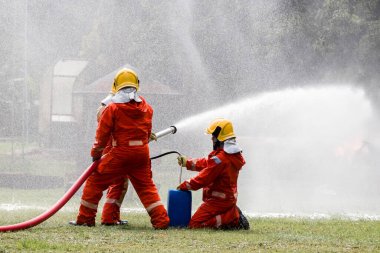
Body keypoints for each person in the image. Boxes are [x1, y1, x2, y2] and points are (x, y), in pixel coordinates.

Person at [70, 68, 168, 229]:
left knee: (94, 181)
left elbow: (101, 135)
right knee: (147, 188)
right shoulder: (147, 107)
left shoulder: (112, 109)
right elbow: (147, 133)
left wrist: (96, 154)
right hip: (142, 154)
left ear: (116, 86)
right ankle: (161, 220)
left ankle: (85, 219)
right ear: (137, 85)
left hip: (120, 153)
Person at [177, 118, 249, 230]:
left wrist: (185, 185)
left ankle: (233, 217)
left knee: (195, 224)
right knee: (197, 223)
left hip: (218, 201)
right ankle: (231, 212)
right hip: (226, 200)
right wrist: (188, 163)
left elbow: (203, 178)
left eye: (213, 136)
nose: (212, 138)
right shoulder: (227, 156)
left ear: (220, 139)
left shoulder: (221, 159)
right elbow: (208, 164)